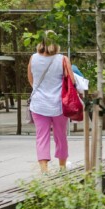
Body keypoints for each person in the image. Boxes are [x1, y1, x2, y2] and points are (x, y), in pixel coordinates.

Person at [28, 31, 77, 173]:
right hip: (59, 105)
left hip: (38, 104)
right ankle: (62, 167)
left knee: (41, 136)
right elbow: (71, 81)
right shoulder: (62, 59)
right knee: (60, 135)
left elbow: (31, 79)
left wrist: (42, 91)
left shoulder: (33, 58)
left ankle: (44, 170)